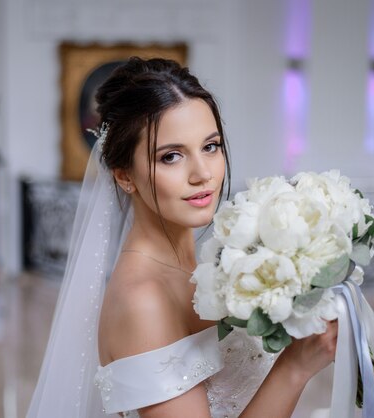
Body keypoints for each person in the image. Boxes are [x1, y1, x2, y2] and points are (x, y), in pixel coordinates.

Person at [26, 57, 337, 418]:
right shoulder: (142, 300)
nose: (202, 173)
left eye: (210, 146)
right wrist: (294, 368)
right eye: (171, 156)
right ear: (125, 176)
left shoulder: (209, 264)